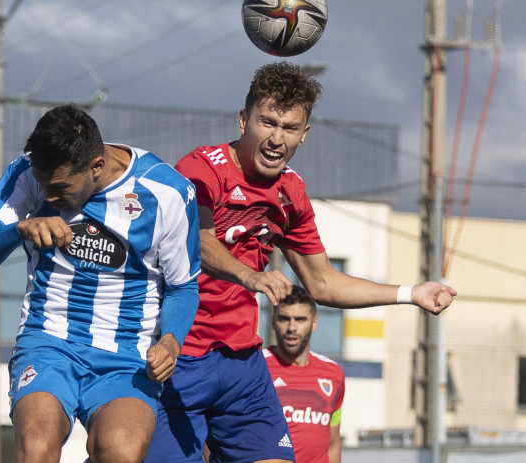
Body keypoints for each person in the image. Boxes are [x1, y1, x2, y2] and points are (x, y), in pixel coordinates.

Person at [144, 61, 456, 463]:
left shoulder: (290, 193)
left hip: (241, 362)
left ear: (304, 134)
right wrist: (251, 277)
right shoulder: (201, 169)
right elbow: (198, 241)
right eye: (267, 122)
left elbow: (323, 283)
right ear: (244, 120)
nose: (276, 138)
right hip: (178, 354)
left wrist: (410, 292)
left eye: (289, 128)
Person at [0, 104, 201, 463]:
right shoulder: (27, 173)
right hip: (49, 342)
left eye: (59, 188)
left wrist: (171, 340)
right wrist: (19, 228)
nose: (48, 197)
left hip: (126, 358)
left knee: (119, 452)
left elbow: (183, 287)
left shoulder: (166, 192)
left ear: (96, 166)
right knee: (36, 449)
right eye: (43, 186)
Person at [264, 285, 345, 463]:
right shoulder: (255, 367)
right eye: (284, 319)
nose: (292, 327)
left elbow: (333, 443)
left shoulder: (334, 373)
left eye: (300, 319)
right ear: (273, 321)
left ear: (314, 322)